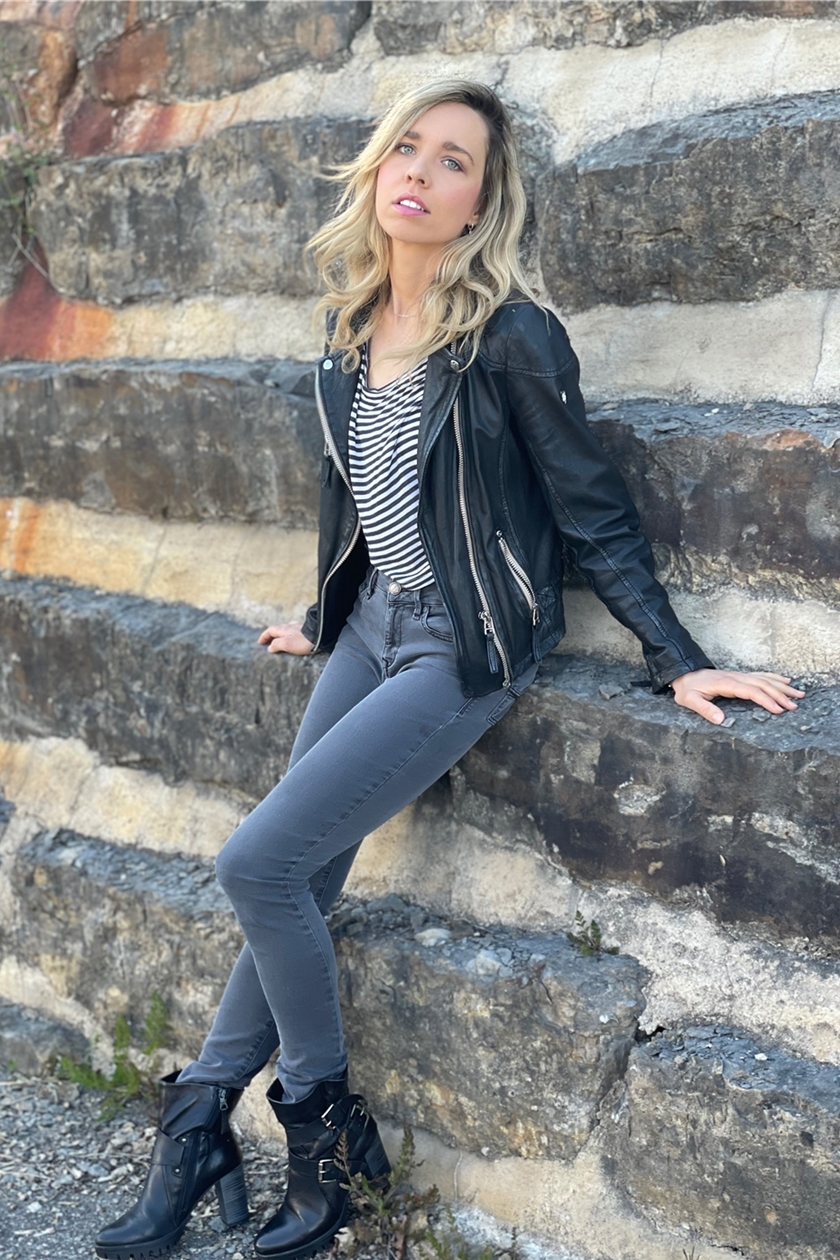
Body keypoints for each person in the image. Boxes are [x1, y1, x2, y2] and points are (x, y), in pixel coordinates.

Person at [95, 79, 804, 1260]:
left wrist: (677, 660)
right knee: (298, 873)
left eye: (455, 160)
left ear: (481, 201)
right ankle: (201, 1120)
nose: (421, 173)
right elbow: (358, 504)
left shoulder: (510, 338)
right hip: (371, 628)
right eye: (407, 150)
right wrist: (324, 617)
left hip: (465, 645)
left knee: (256, 862)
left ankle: (323, 1129)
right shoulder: (348, 333)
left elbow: (590, 507)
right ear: (379, 171)